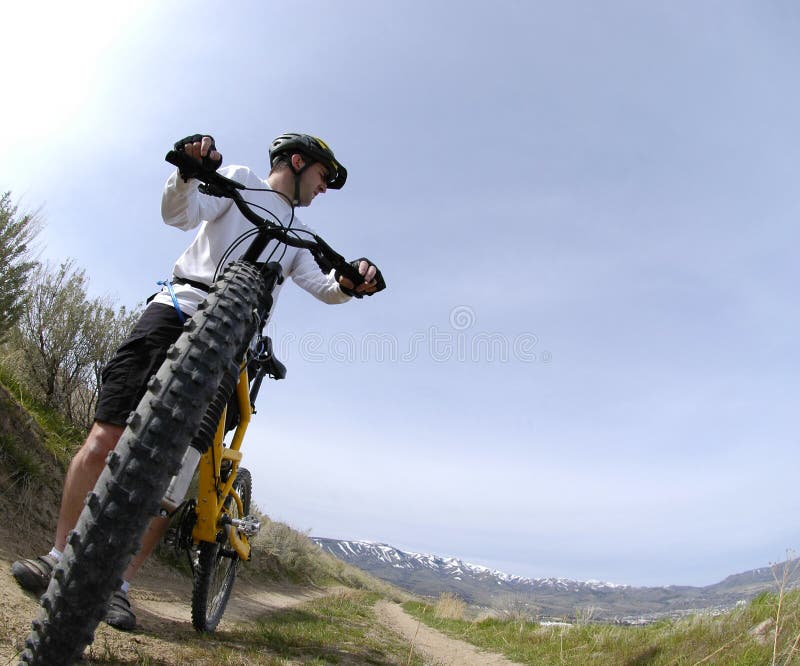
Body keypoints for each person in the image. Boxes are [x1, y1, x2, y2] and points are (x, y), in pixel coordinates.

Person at [11, 133, 385, 630]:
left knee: (175, 470)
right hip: (177, 307)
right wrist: (187, 172)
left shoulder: (298, 233)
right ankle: (59, 557)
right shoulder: (239, 182)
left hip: (228, 351)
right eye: (321, 177)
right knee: (107, 438)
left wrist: (347, 284)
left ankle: (117, 585)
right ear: (298, 162)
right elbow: (179, 214)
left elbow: (322, 286)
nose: (322, 189)